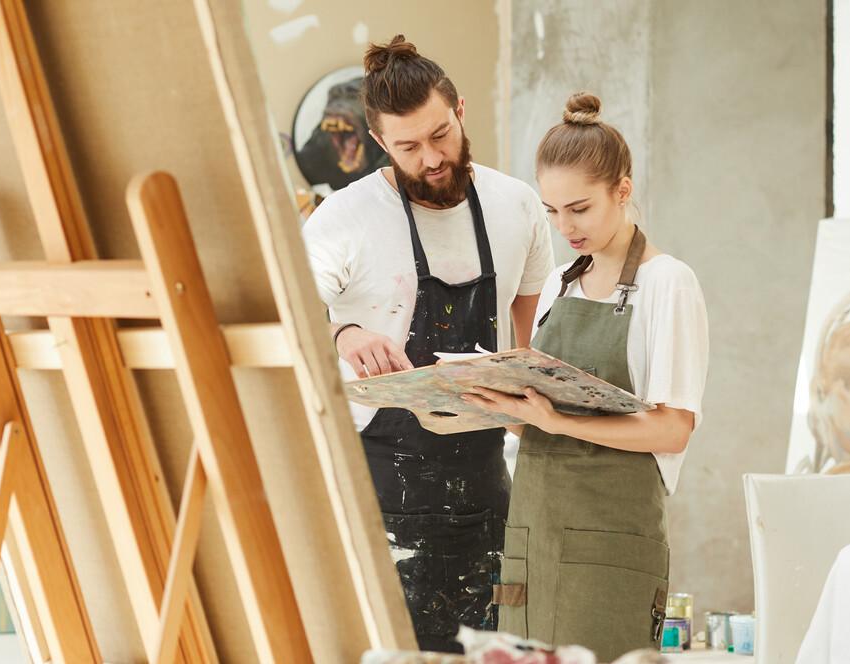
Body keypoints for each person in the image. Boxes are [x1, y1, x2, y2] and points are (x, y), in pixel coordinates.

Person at [301, 35, 554, 652]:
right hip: (381, 487)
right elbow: (283, 311)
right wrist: (345, 329)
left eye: (440, 135)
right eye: (409, 147)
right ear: (381, 143)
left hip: (489, 482)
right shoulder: (345, 219)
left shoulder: (516, 206)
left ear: (460, 111)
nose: (432, 158)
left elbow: (533, 330)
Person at [463, 93, 709, 661]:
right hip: (530, 538)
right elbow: (543, 426)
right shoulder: (558, 285)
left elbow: (672, 430)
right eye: (551, 212)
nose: (564, 227)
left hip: (609, 543)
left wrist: (556, 421)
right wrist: (506, 411)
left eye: (579, 208)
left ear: (623, 191)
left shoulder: (667, 283)